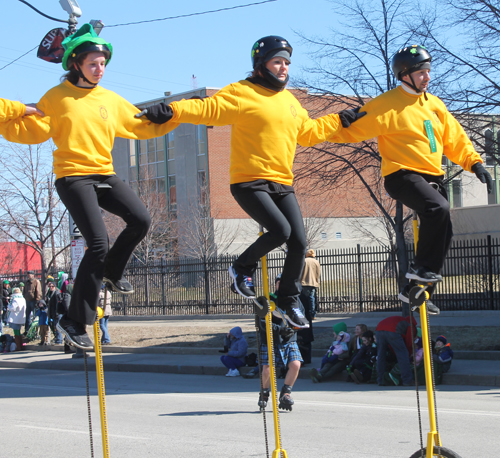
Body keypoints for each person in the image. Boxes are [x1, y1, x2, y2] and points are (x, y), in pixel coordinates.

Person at [137, 35, 365, 329]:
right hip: (249, 181)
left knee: (299, 241)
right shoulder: (242, 92)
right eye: (277, 62)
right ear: (261, 65)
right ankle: (242, 267)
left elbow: (308, 132)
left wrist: (339, 119)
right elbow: (208, 108)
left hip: (282, 182)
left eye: (286, 63)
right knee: (280, 230)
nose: (283, 68)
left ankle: (287, 300)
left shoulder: (290, 101)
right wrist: (173, 110)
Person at [0, 23, 178, 350]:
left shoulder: (109, 99)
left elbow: (139, 125)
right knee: (98, 241)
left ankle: (111, 272)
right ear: (76, 64)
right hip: (73, 177)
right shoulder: (57, 99)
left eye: (103, 64)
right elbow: (28, 130)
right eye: (93, 63)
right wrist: (15, 109)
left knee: (140, 219)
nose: (100, 69)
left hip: (104, 175)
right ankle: (74, 319)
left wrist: (167, 116)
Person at [329, 45, 493, 314]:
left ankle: (416, 291)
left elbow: (455, 139)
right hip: (402, 174)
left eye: (428, 71)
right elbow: (352, 130)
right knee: (437, 208)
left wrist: (474, 163)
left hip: (433, 176)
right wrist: (339, 121)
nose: (427, 77)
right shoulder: (386, 104)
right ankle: (420, 270)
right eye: (421, 73)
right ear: (404, 74)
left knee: (445, 228)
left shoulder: (435, 104)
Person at [257, 308, 303, 411]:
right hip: (270, 338)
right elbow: (262, 322)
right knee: (268, 369)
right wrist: (280, 330)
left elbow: (301, 318)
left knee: (295, 365)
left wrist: (294, 329)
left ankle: (285, 394)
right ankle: (264, 394)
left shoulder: (294, 300)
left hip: (289, 339)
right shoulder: (269, 299)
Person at [375, 315, 417, 386]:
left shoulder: (399, 319)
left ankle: (381, 379)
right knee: (403, 355)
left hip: (378, 330)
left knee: (381, 356)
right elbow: (409, 342)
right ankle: (407, 380)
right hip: (392, 331)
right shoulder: (410, 325)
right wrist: (409, 354)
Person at [300, 249, 321, 319]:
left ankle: (304, 314)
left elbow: (300, 272)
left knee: (303, 299)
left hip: (303, 282)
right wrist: (316, 281)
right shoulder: (316, 262)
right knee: (311, 298)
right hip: (313, 283)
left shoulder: (304, 261)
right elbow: (318, 273)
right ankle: (313, 314)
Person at [6, 287, 26, 351]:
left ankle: (18, 346)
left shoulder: (15, 299)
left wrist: (8, 306)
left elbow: (13, 308)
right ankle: (21, 345)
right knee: (19, 332)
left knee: (16, 332)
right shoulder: (22, 298)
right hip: (21, 317)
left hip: (15, 318)